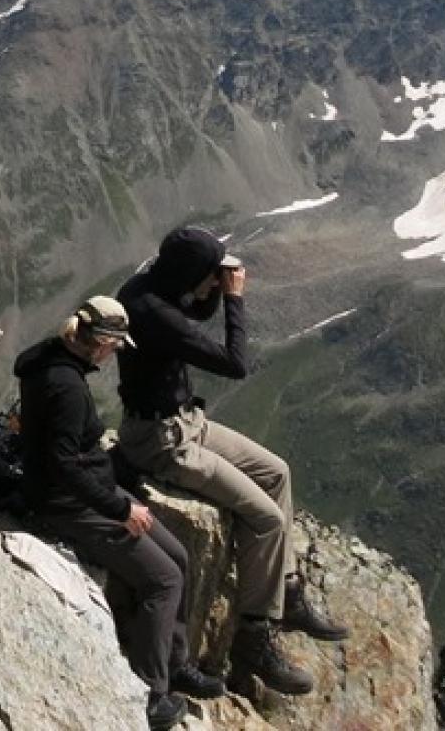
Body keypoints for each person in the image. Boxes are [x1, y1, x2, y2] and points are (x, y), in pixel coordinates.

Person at [114, 225, 348, 698]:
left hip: (186, 421)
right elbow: (234, 363)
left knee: (277, 472)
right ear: (188, 273)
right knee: (265, 518)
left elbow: (194, 306)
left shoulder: (149, 286)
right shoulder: (153, 313)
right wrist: (235, 299)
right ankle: (254, 638)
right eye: (209, 274)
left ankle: (288, 593)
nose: (212, 283)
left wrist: (213, 288)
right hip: (162, 442)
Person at [14, 295, 224, 730]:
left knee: (180, 558)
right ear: (101, 342)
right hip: (69, 503)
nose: (115, 354)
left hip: (87, 489)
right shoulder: (68, 388)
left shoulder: (50, 357)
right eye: (115, 345)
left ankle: (175, 661)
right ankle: (152, 693)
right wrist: (120, 507)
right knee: (164, 580)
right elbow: (64, 465)